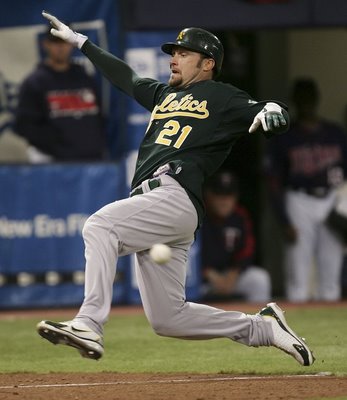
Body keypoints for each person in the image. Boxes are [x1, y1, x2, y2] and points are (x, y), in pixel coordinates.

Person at [37, 11, 314, 367]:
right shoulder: (164, 95)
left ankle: (89, 324)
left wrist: (274, 111)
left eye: (184, 53)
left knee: (99, 226)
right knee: (169, 318)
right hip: (159, 206)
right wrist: (82, 43)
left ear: (208, 63)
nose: (174, 58)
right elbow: (127, 77)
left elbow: (269, 111)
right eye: (174, 52)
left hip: (174, 194)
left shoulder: (220, 96)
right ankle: (263, 328)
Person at [265, 78, 347, 302]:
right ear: (295, 101)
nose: (307, 103)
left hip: (331, 199)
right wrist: (284, 220)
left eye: (309, 98)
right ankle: (295, 327)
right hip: (299, 199)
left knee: (331, 272)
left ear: (316, 99)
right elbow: (273, 182)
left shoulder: (335, 133)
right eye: (302, 99)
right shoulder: (285, 136)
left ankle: (332, 330)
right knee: (298, 274)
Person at [14, 26, 105, 162]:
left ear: (71, 44)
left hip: (91, 160)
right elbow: (23, 125)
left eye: (64, 42)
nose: (60, 47)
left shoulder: (85, 78)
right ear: (46, 44)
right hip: (54, 162)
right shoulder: (35, 82)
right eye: (55, 42)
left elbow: (99, 115)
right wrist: (57, 143)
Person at [202, 171, 271, 302]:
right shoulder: (197, 216)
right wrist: (207, 273)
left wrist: (234, 274)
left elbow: (247, 251)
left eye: (228, 195)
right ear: (208, 195)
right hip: (202, 280)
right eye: (219, 195)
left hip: (230, 276)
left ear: (236, 197)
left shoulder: (240, 217)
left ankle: (259, 322)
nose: (224, 201)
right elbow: (188, 254)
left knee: (259, 279)